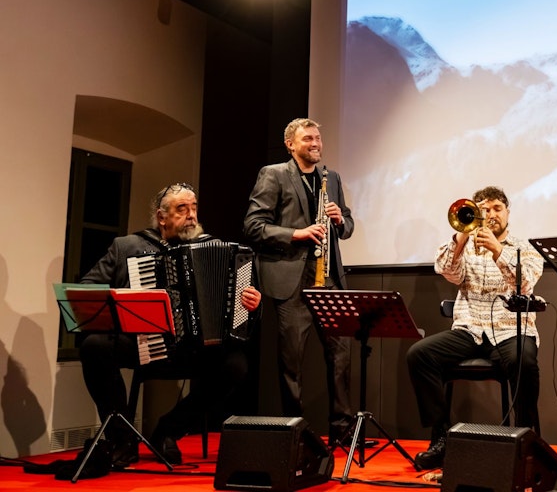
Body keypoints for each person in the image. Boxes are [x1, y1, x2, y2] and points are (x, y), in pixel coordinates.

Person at [73, 183, 260, 477]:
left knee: (235, 365)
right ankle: (122, 439)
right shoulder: (127, 247)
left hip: (192, 350)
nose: (191, 215)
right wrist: (126, 302)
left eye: (194, 208)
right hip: (142, 344)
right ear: (162, 217)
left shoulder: (217, 247)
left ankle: (168, 430)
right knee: (93, 346)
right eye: (182, 209)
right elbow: (86, 290)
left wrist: (250, 303)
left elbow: (239, 306)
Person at [406, 186, 543, 471]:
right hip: (470, 330)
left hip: (510, 330)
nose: (491, 214)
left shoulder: (523, 247)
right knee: (419, 354)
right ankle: (442, 438)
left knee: (524, 360)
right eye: (484, 209)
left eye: (496, 209)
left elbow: (526, 283)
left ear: (507, 213)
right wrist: (460, 238)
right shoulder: (466, 245)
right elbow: (448, 272)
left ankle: (527, 442)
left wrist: (498, 252)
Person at [243, 117, 356, 445]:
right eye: (308, 139)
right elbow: (253, 226)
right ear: (290, 144)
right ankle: (297, 432)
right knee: (291, 361)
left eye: (318, 138)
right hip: (291, 278)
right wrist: (296, 233)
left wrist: (339, 220)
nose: (316, 144)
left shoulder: (330, 177)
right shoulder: (273, 174)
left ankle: (343, 431)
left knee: (341, 356)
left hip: (328, 277)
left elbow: (347, 226)